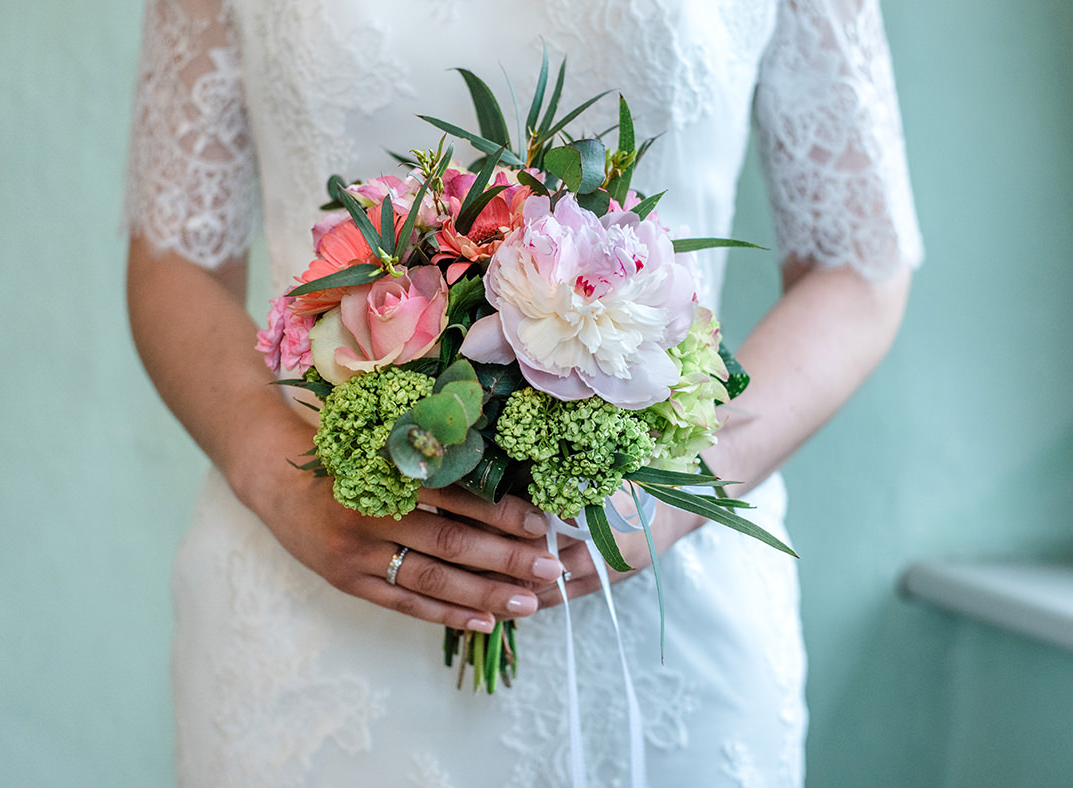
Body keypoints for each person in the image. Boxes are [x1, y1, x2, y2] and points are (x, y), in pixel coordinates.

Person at [124, 0, 922, 785]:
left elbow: (858, 266)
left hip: (660, 605)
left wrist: (679, 497)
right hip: (314, 589)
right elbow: (175, 257)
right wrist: (279, 480)